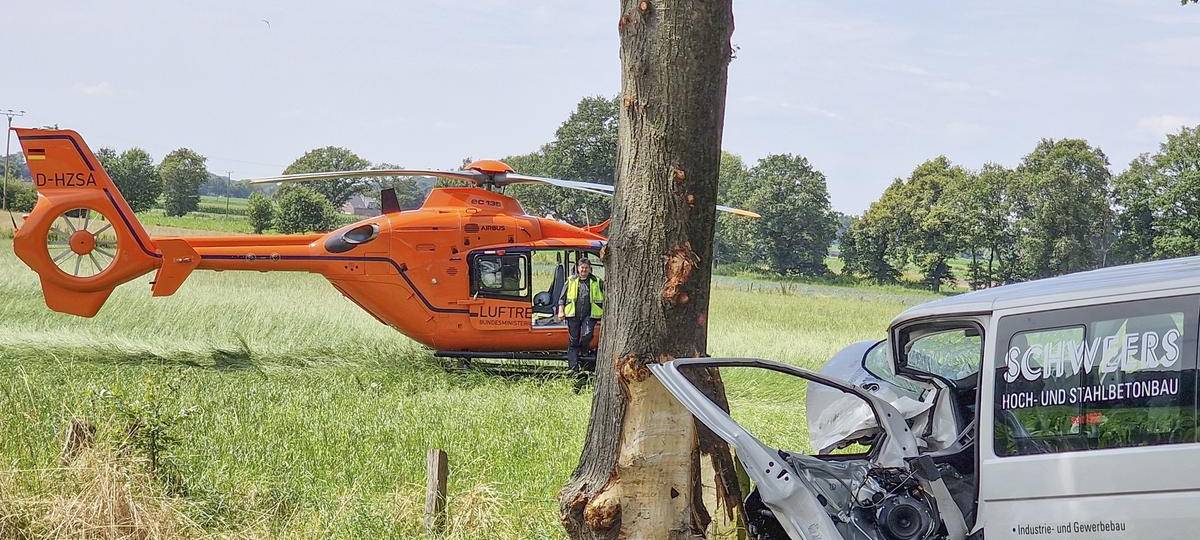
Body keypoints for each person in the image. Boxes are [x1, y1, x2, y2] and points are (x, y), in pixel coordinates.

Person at [557, 258, 604, 372]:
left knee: (587, 335)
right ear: (578, 268)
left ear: (590, 269)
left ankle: (584, 352)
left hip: (589, 315)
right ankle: (573, 369)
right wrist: (561, 311)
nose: (584, 270)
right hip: (573, 315)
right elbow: (562, 298)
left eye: (586, 268)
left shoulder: (597, 281)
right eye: (582, 267)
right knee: (573, 341)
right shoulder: (571, 280)